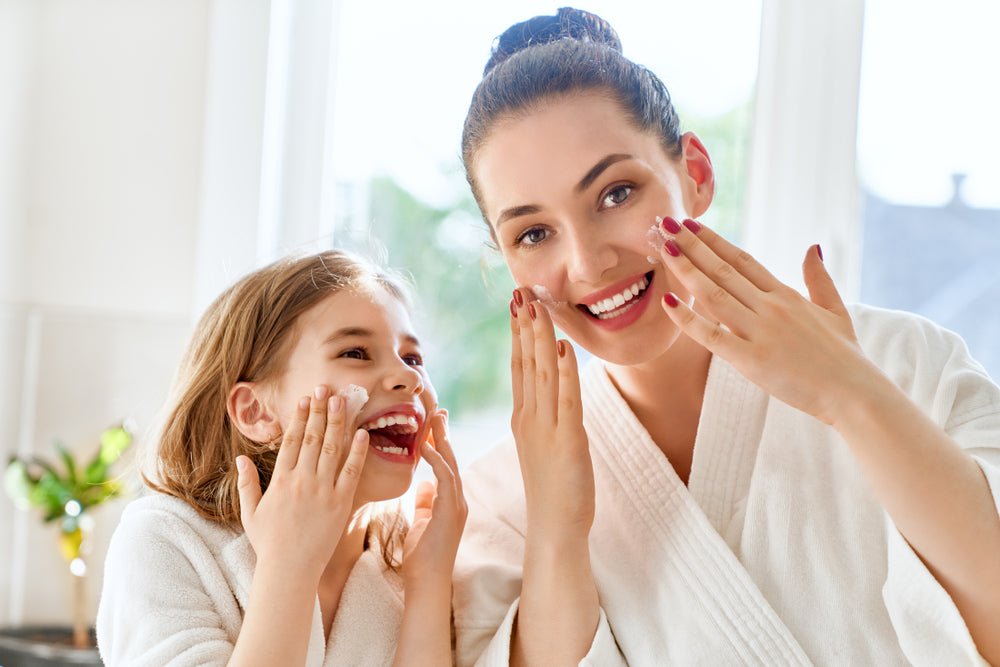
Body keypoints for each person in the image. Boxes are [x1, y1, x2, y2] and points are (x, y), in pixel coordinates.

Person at [452, 7, 1000, 666]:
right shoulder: (502, 498)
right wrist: (558, 527)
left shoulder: (906, 364)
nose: (589, 263)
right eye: (533, 234)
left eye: (617, 192)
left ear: (697, 174)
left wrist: (850, 395)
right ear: (502, 261)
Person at [96, 250, 467, 666]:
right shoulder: (165, 541)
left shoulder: (407, 561)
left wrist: (429, 585)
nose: (411, 378)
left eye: (413, 358)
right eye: (356, 352)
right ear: (255, 412)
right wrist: (291, 564)